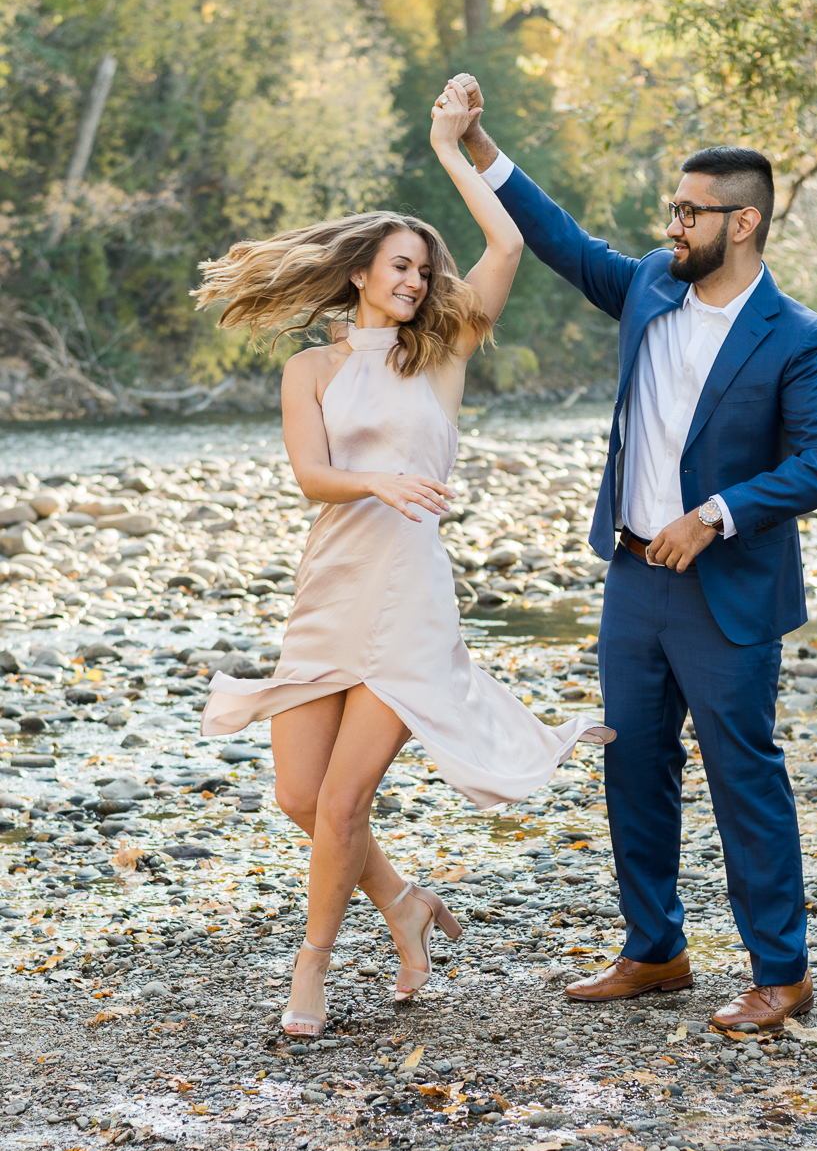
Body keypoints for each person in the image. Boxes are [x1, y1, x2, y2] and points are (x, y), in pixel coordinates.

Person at [195, 78, 613, 1033]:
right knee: (299, 795)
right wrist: (377, 483)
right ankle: (404, 902)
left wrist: (448, 150)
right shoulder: (311, 369)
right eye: (400, 265)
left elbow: (506, 244)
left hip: (410, 601)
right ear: (358, 273)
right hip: (331, 587)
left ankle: (311, 969)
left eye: (424, 268)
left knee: (342, 802)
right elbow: (311, 475)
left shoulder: (443, 354)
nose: (417, 280)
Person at [454, 83, 817, 1030]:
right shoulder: (648, 286)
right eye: (672, 207)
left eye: (690, 210)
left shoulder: (796, 337)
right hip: (632, 579)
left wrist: (716, 513)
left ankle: (781, 974)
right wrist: (480, 146)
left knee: (740, 772)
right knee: (632, 763)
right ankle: (656, 950)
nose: (672, 222)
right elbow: (557, 239)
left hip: (726, 590)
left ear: (744, 222)